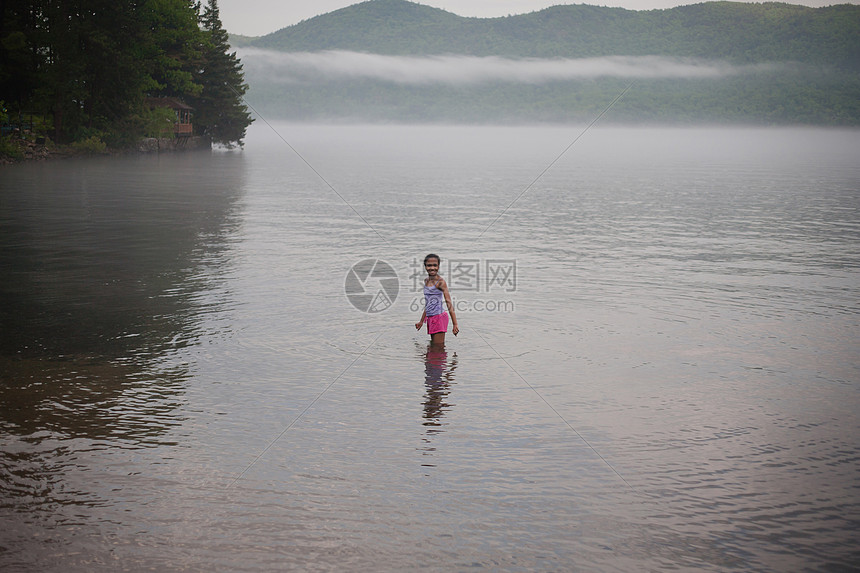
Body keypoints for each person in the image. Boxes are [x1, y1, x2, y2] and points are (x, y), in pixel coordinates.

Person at [414, 253, 459, 345]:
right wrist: (421, 321)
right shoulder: (426, 281)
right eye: (429, 265)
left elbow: (448, 302)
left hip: (439, 318)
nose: (432, 268)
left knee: (438, 348)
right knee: (432, 349)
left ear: (438, 266)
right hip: (430, 318)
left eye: (435, 265)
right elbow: (429, 303)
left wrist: (455, 324)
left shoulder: (441, 282)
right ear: (425, 267)